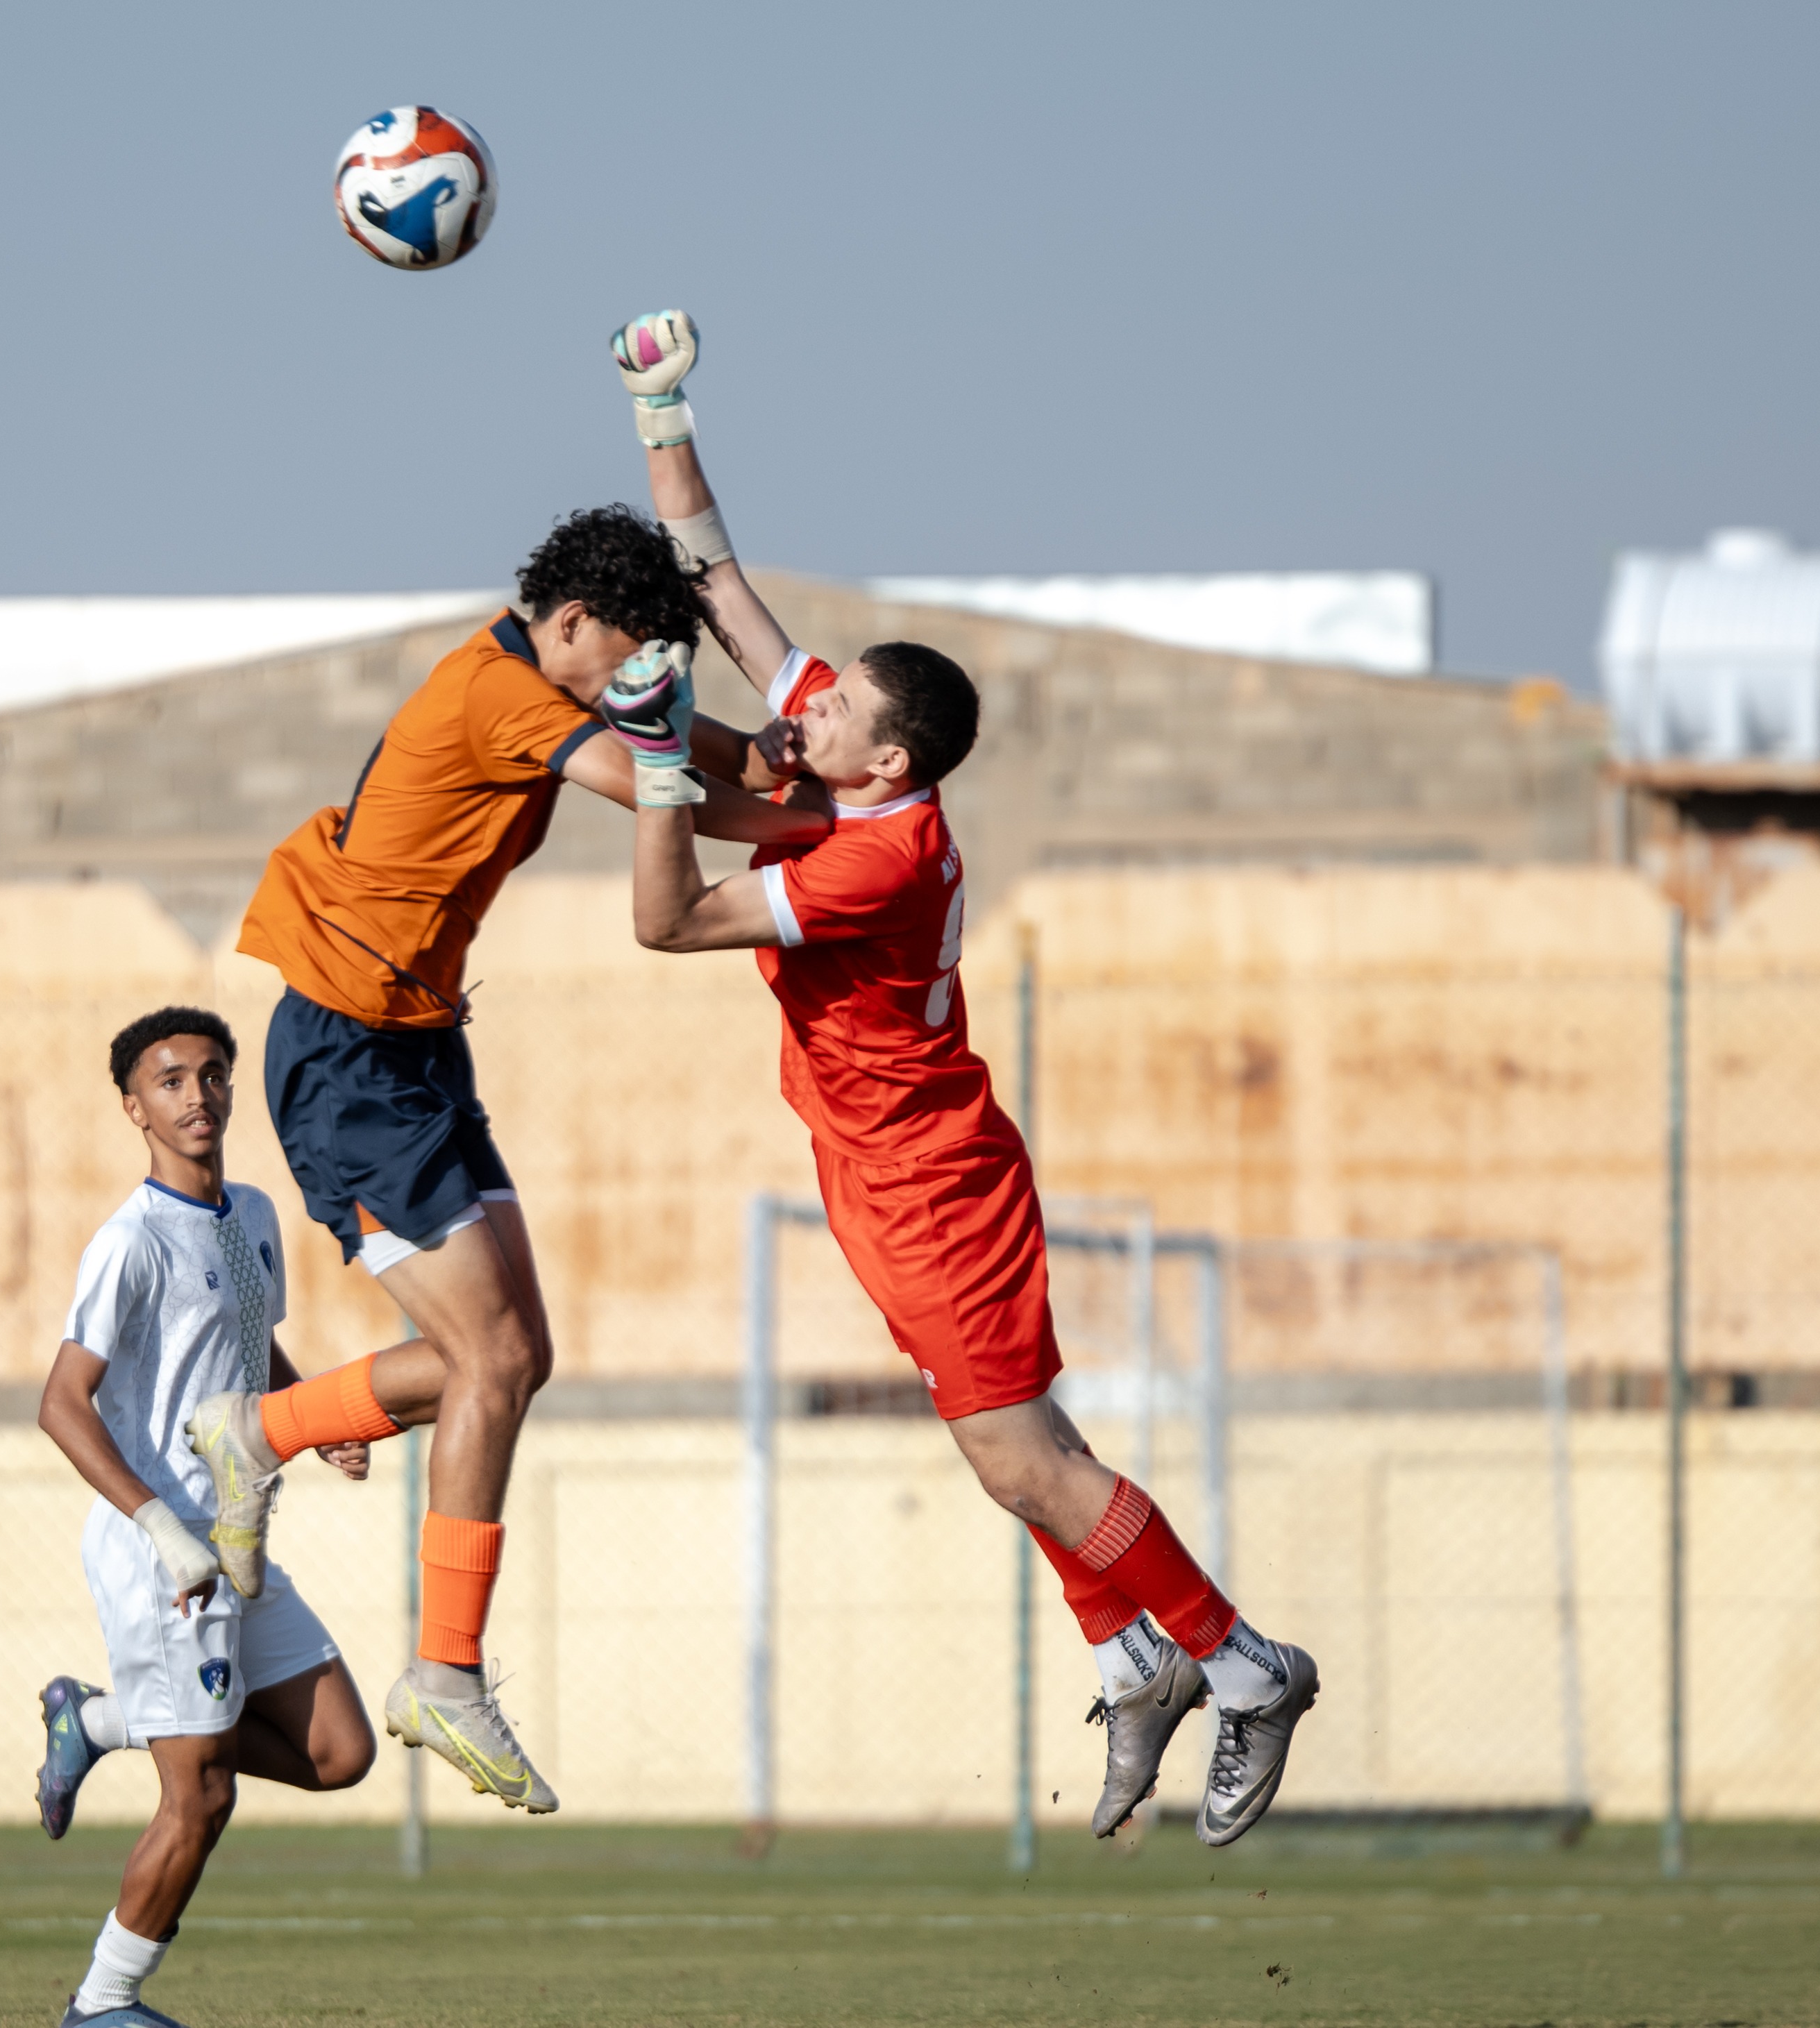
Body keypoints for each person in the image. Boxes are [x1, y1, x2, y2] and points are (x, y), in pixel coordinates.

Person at [593, 308, 1319, 1846]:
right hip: (885, 1172)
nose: (813, 706)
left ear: (888, 761)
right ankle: (1130, 1658)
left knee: (1024, 1460)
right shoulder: (848, 789)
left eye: (839, 708)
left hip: (930, 1185)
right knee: (1013, 1461)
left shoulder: (872, 857)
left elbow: (663, 921)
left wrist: (658, 764)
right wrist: (662, 408)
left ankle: (1238, 1663)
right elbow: (719, 583)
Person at [183, 512, 829, 1816]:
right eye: (622, 663)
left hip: (416, 1046)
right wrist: (809, 828)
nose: (620, 686)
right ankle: (443, 1673)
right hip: (350, 1059)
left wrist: (754, 755)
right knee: (487, 1361)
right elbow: (652, 786)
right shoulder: (504, 694)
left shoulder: (536, 675)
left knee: (515, 1356)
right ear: (575, 624)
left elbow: (668, 747)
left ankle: (258, 1431)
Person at [31, 1008, 379, 2028]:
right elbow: (60, 1400)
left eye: (212, 1075)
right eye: (171, 1080)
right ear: (134, 1108)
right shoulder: (130, 1241)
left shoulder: (255, 1214)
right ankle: (101, 2006)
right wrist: (160, 1524)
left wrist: (315, 1421)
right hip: (163, 1555)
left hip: (239, 1538)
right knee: (204, 1794)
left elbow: (248, 1349)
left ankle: (94, 1719)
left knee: (340, 1753)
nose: (197, 1095)